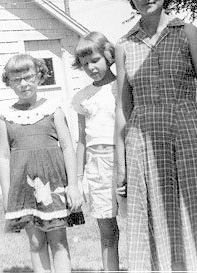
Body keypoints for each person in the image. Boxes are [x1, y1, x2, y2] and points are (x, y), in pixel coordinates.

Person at [115, 0, 197, 271]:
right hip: (143, 142)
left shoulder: (188, 33)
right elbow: (122, 109)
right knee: (154, 217)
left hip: (189, 135)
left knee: (194, 214)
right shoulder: (124, 44)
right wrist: (120, 165)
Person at [0, 53, 84, 273]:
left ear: (39, 76)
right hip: (24, 190)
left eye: (28, 77)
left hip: (53, 186)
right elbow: (4, 158)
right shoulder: (6, 117)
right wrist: (8, 196)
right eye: (17, 79)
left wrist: (73, 185)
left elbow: (67, 147)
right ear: (9, 82)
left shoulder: (53, 109)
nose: (23, 84)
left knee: (58, 241)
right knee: (36, 243)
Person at [71, 32, 120, 271]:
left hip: (124, 160)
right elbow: (81, 140)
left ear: (108, 56)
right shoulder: (82, 97)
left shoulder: (122, 87)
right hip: (96, 166)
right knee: (107, 229)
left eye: (95, 60)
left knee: (141, 222)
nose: (90, 68)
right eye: (84, 64)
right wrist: (77, 180)